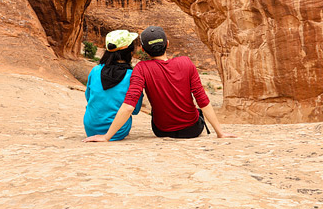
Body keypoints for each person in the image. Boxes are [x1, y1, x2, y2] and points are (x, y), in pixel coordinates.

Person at [83, 25, 236, 141]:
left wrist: (106, 137)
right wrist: (220, 133)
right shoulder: (186, 62)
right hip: (192, 130)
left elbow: (129, 105)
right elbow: (202, 99)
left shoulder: (141, 68)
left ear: (143, 49)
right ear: (167, 44)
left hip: (162, 130)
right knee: (197, 111)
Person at [83, 29, 143, 141]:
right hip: (118, 132)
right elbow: (135, 110)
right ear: (130, 52)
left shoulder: (95, 70)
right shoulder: (132, 76)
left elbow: (88, 97)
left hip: (90, 129)